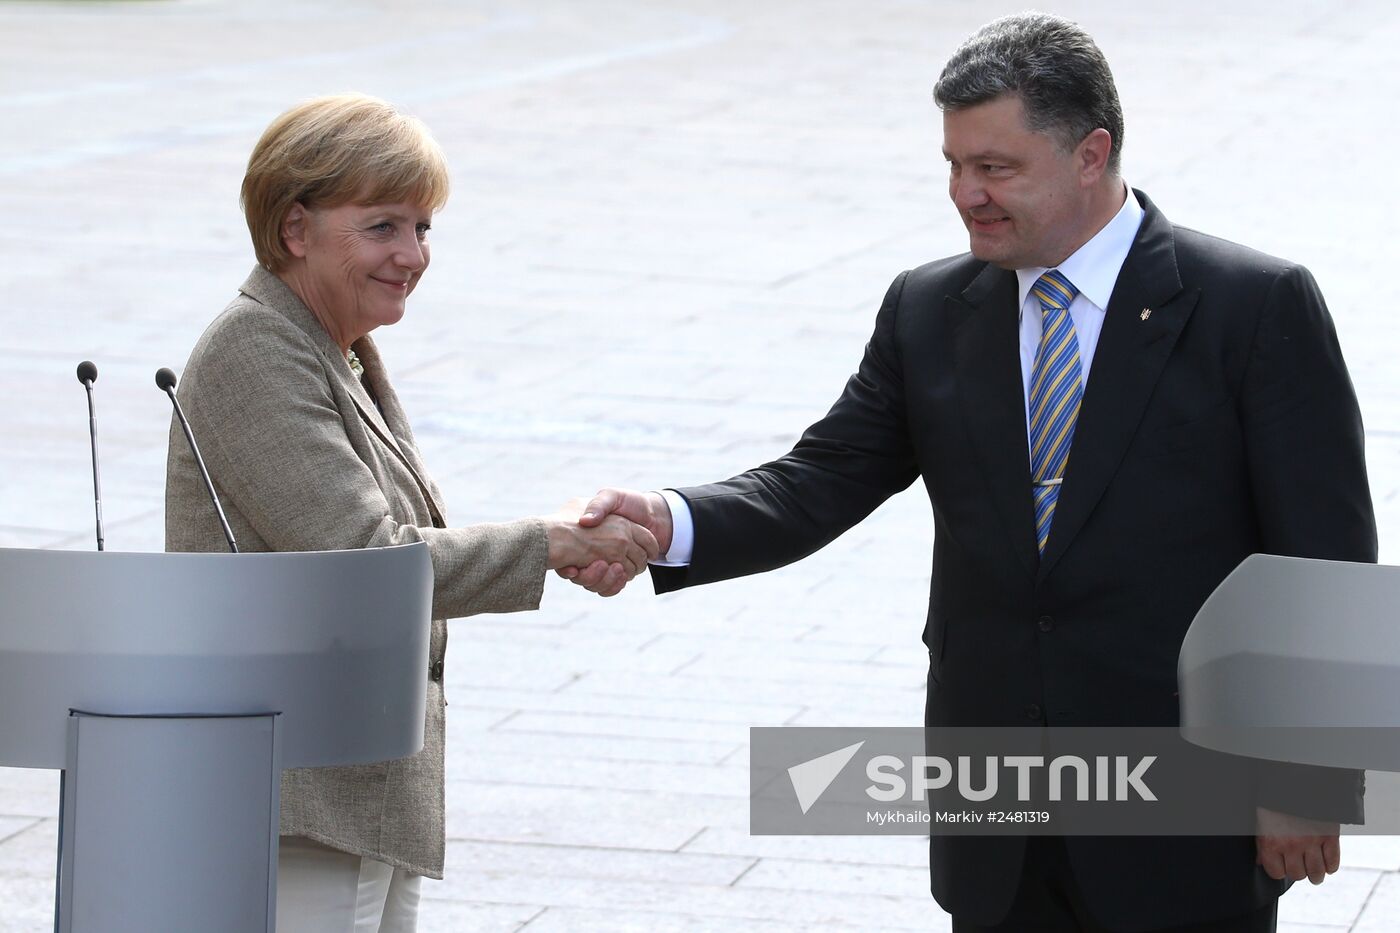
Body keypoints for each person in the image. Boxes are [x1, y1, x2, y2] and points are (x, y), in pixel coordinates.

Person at [559, 13, 1377, 933]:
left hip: (1186, 804)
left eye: (995, 167)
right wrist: (669, 519)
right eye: (953, 165)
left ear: (1090, 154)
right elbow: (820, 477)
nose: (966, 194)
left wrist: (1305, 775)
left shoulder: (1250, 305)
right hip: (997, 809)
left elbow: (1325, 556)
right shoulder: (929, 308)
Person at [164, 93, 657, 932]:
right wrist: (555, 543)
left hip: (356, 782)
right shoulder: (255, 348)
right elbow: (370, 556)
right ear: (295, 229)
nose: (414, 254)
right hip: (294, 788)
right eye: (383, 226)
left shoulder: (334, 347)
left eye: (423, 227)